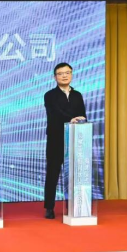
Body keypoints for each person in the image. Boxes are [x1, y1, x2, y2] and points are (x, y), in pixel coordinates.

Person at [43, 62, 86, 219]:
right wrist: (70, 119)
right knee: (53, 173)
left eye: (67, 73)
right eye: (60, 73)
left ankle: (75, 205)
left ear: (71, 74)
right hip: (56, 139)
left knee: (76, 172)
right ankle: (49, 207)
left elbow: (82, 114)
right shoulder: (49, 95)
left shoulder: (77, 95)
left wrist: (80, 120)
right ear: (55, 77)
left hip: (75, 138)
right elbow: (55, 113)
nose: (64, 76)